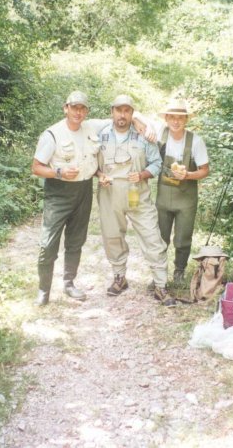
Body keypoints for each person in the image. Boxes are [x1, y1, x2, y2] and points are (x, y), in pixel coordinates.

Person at [96, 95, 176, 307]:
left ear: (132, 114)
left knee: (152, 237)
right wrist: (98, 174)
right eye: (118, 110)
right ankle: (119, 277)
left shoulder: (144, 135)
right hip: (109, 193)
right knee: (113, 236)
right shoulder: (100, 134)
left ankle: (160, 285)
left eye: (127, 111)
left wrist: (142, 175)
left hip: (137, 194)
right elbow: (90, 160)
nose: (122, 115)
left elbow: (157, 163)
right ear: (112, 111)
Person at [31, 91, 108, 306]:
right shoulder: (53, 134)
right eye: (74, 107)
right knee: (48, 245)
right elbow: (36, 167)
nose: (78, 112)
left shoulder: (91, 129)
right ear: (66, 108)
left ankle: (69, 283)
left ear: (86, 111)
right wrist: (59, 172)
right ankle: (43, 290)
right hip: (58, 192)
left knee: (76, 241)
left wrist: (99, 174)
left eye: (82, 108)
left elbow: (118, 119)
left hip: (83, 191)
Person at [155, 99, 209, 285]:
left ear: (186, 120)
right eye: (172, 117)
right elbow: (136, 120)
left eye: (180, 118)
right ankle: (158, 275)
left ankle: (179, 271)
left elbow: (204, 170)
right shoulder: (159, 135)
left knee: (183, 237)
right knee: (159, 238)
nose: (176, 122)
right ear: (167, 118)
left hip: (186, 198)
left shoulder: (196, 141)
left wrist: (187, 175)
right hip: (163, 196)